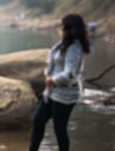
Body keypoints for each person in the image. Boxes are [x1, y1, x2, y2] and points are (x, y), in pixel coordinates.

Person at [29, 13, 90, 151]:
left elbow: (69, 73)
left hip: (66, 94)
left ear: (69, 28)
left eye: (62, 25)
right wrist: (48, 75)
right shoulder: (63, 44)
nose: (60, 28)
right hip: (52, 92)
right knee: (38, 120)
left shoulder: (75, 48)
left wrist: (52, 79)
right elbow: (52, 64)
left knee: (59, 128)